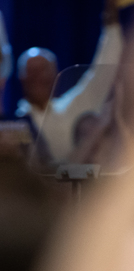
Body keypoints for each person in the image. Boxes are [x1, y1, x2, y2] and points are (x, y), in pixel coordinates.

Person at [16, 0, 123, 162]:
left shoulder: (72, 108)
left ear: (56, 74)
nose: (38, 78)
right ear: (21, 79)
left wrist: (111, 23)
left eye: (43, 71)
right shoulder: (16, 126)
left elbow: (102, 75)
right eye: (31, 72)